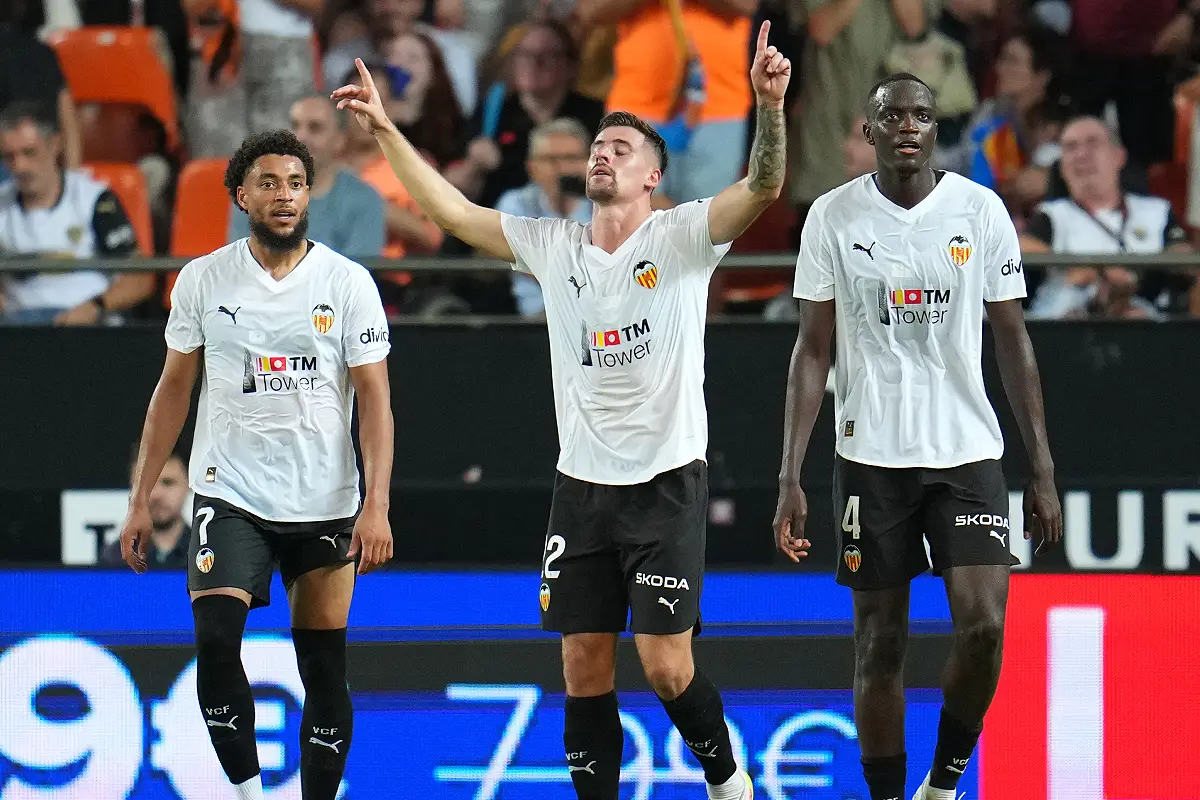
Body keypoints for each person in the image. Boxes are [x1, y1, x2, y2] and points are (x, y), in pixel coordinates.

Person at [332, 19, 791, 800]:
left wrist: (769, 108)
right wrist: (385, 133)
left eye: (621, 147)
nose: (601, 154)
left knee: (665, 665)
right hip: (579, 488)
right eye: (597, 146)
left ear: (654, 175)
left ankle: (727, 778)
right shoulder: (554, 246)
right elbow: (451, 212)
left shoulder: (682, 239)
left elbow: (764, 187)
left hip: (665, 481)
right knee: (582, 664)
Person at [772, 73, 1064, 800]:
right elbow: (812, 350)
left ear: (937, 129)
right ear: (868, 132)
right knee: (881, 646)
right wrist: (790, 476)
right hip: (870, 457)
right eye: (892, 115)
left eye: (922, 115)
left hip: (968, 452)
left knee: (984, 629)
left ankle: (944, 781)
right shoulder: (833, 218)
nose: (908, 124)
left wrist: (1043, 469)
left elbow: (1012, 339)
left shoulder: (979, 210)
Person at [117, 129, 395, 800]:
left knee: (323, 669)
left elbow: (376, 402)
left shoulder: (346, 282)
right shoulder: (205, 279)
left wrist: (377, 503)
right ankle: (250, 794)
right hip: (229, 493)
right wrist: (139, 496)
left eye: (295, 183)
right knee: (216, 642)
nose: (284, 195)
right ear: (242, 195)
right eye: (268, 183)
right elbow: (172, 392)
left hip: (324, 499)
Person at [100, 448, 191, 568]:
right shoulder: (114, 559)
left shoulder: (208, 553)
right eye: (147, 483)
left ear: (190, 484)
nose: (156, 494)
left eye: (168, 483)